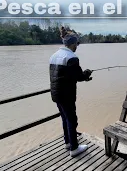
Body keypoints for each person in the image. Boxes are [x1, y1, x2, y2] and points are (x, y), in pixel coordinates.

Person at [49, 26, 92, 157]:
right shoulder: (71, 57)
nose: (77, 46)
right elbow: (78, 77)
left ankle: (68, 142)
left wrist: (82, 76)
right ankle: (74, 148)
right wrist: (86, 74)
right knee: (72, 120)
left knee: (65, 118)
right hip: (67, 95)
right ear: (72, 43)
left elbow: (63, 75)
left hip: (56, 94)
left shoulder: (54, 56)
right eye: (76, 44)